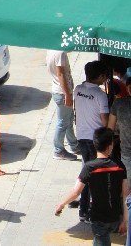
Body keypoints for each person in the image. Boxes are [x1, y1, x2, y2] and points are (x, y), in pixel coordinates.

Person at [54, 127, 129, 246]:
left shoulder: (89, 167)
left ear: (95, 145)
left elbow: (76, 192)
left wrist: (61, 204)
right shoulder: (120, 166)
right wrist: (125, 220)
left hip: (98, 218)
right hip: (115, 217)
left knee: (101, 240)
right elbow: (126, 194)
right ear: (110, 146)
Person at [75, 60, 112, 222]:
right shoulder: (100, 95)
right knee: (93, 176)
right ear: (102, 76)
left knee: (87, 172)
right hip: (95, 140)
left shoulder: (78, 89)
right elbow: (105, 121)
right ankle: (86, 210)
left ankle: (85, 208)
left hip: (82, 137)